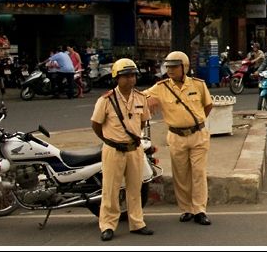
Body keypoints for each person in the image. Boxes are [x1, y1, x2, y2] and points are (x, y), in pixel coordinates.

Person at [144, 51, 213, 226]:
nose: (170, 70)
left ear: (185, 67)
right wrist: (149, 99)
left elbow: (208, 105)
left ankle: (200, 210)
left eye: (174, 66)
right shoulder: (161, 87)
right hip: (176, 136)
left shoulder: (198, 85)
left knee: (198, 173)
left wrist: (196, 122)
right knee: (180, 175)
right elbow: (139, 97)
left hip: (198, 135)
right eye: (168, 67)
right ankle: (186, 209)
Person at [91, 58, 153, 241]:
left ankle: (137, 222)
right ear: (116, 78)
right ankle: (108, 225)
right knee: (110, 189)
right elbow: (96, 124)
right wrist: (109, 140)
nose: (130, 79)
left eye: (133, 75)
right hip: (113, 150)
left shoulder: (141, 98)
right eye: (125, 76)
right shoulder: (106, 100)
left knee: (135, 188)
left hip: (134, 149)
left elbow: (143, 122)